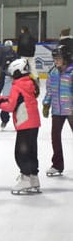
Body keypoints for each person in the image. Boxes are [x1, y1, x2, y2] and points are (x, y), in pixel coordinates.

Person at [0, 59, 41, 194]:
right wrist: (1, 100)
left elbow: (11, 106)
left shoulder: (17, 86)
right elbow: (18, 100)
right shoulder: (29, 83)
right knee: (32, 151)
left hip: (24, 122)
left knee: (21, 152)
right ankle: (34, 178)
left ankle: (25, 178)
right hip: (34, 122)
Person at [44, 45, 73, 177]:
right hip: (57, 110)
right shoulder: (53, 73)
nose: (55, 61)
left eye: (58, 58)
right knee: (55, 137)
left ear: (66, 58)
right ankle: (57, 165)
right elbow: (49, 91)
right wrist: (46, 104)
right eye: (54, 58)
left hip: (71, 109)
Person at [0, 40, 20, 129]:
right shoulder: (6, 54)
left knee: (15, 106)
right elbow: (1, 83)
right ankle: (5, 120)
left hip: (14, 88)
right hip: (7, 88)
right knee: (7, 105)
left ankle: (12, 121)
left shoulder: (15, 54)